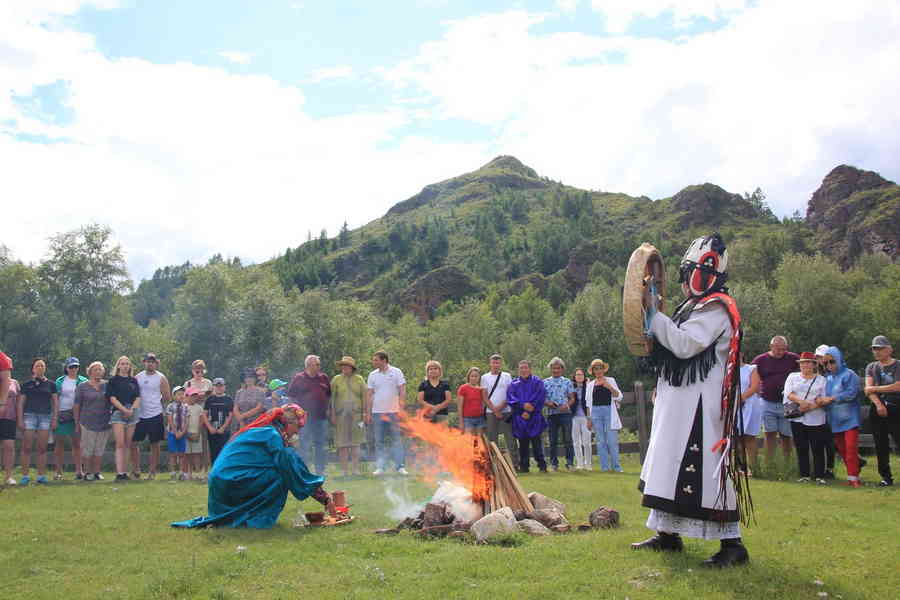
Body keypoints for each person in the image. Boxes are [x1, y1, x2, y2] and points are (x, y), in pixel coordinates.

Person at [633, 233, 750, 567]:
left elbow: (685, 345)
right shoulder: (694, 307)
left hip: (701, 406)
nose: (685, 282)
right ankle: (667, 536)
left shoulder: (717, 308)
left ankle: (733, 545)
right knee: (668, 465)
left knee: (706, 471)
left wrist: (654, 315)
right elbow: (674, 352)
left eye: (688, 275)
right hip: (679, 402)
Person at [171, 405, 337, 529]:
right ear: (287, 422)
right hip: (230, 483)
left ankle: (247, 514)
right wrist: (325, 498)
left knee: (281, 468)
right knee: (281, 476)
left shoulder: (267, 431)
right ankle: (257, 518)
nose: (298, 432)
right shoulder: (272, 436)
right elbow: (294, 471)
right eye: (298, 427)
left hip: (221, 485)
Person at [819, 346, 862, 487]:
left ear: (839, 359)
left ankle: (854, 479)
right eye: (825, 363)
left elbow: (851, 394)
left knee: (851, 449)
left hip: (850, 419)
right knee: (843, 451)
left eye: (831, 361)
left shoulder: (850, 375)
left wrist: (831, 399)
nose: (829, 365)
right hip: (835, 420)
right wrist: (821, 401)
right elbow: (825, 398)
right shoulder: (828, 378)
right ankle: (852, 475)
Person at [783, 352, 829, 484]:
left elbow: (823, 398)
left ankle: (820, 475)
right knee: (801, 446)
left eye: (809, 362)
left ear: (814, 364)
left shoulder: (821, 380)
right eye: (803, 363)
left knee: (817, 447)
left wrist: (810, 407)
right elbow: (789, 393)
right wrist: (801, 403)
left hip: (816, 417)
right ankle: (804, 475)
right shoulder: (793, 377)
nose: (805, 365)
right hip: (797, 416)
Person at [753, 336, 799, 463]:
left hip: (789, 403)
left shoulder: (794, 358)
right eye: (778, 349)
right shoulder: (760, 360)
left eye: (784, 349)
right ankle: (769, 464)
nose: (781, 352)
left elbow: (802, 376)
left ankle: (788, 464)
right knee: (769, 434)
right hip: (767, 401)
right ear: (771, 347)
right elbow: (753, 379)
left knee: (787, 435)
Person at [864, 336, 900, 487]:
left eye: (880, 348)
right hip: (877, 407)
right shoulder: (871, 367)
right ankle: (886, 477)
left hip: (896, 406)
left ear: (889, 349)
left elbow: (898, 386)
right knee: (880, 444)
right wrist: (879, 404)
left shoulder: (898, 365)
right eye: (874, 349)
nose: (877, 352)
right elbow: (868, 389)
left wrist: (875, 388)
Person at [365, 351, 408, 476]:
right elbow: (369, 394)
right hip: (377, 412)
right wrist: (367, 413)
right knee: (379, 440)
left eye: (376, 360)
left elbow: (402, 391)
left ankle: (400, 466)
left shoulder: (396, 372)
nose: (373, 362)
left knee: (396, 440)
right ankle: (380, 467)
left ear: (384, 360)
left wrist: (401, 408)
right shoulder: (372, 375)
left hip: (394, 412)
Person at [288, 354, 331, 476]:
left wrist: (329, 410)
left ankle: (320, 470)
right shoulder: (299, 378)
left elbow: (328, 395)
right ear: (308, 365)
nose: (319, 366)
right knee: (304, 444)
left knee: (321, 444)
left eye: (319, 364)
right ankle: (304, 470)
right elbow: (291, 396)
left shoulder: (323, 377)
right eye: (317, 364)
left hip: (321, 417)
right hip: (304, 418)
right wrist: (295, 413)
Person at [132, 353, 172, 480]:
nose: (150, 363)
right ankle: (136, 470)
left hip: (155, 414)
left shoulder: (161, 378)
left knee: (154, 443)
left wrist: (157, 403)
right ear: (144, 362)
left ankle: (152, 471)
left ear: (156, 363)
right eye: (148, 361)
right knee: (133, 443)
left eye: (152, 361)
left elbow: (167, 397)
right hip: (140, 414)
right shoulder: (138, 377)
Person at [18, 358, 58, 485]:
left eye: (42, 365)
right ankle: (25, 476)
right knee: (26, 447)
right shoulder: (26, 384)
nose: (40, 367)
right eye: (37, 365)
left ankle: (41, 476)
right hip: (29, 416)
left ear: (45, 368)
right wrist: (20, 419)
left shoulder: (51, 385)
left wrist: (54, 418)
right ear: (33, 368)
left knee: (42, 448)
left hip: (45, 417)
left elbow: (55, 403)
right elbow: (20, 403)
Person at [507, 360, 548, 473]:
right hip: (520, 418)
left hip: (534, 417)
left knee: (536, 443)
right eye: (521, 368)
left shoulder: (537, 382)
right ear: (518, 370)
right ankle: (524, 466)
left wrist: (530, 411)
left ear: (530, 369)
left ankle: (542, 466)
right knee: (523, 444)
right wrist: (522, 409)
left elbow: (540, 397)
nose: (523, 370)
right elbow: (511, 399)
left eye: (525, 368)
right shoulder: (513, 384)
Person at [74, 361, 110, 481]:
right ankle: (87, 472)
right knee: (87, 449)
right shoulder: (82, 386)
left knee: (99, 449)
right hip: (87, 421)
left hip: (104, 422)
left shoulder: (107, 385)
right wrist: (76, 422)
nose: (98, 372)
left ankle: (97, 472)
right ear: (90, 372)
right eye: (95, 370)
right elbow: (77, 405)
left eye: (100, 369)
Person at [331, 357, 366, 477]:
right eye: (342, 365)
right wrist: (333, 414)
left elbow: (365, 398)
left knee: (356, 444)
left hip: (357, 415)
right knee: (342, 445)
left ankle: (355, 469)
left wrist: (365, 414)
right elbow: (332, 399)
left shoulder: (359, 379)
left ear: (352, 368)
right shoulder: (336, 379)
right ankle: (344, 470)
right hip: (341, 415)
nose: (344, 367)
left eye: (346, 365)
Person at [107, 356, 141, 481]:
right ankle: (119, 472)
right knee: (120, 444)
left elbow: (138, 397)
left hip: (132, 413)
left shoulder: (133, 381)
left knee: (128, 443)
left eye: (127, 364)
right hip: (118, 412)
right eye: (123, 363)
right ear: (118, 366)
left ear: (130, 366)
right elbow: (112, 398)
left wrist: (131, 410)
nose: (125, 366)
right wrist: (123, 410)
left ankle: (125, 472)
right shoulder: (113, 381)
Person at [586, 359, 624, 472]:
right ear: (593, 371)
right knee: (600, 441)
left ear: (603, 369)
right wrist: (589, 419)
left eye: (600, 368)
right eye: (595, 369)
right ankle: (604, 467)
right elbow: (588, 403)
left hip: (609, 411)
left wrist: (609, 387)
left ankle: (617, 467)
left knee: (612, 441)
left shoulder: (610, 380)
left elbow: (619, 396)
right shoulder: (590, 385)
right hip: (595, 413)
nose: (598, 371)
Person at [481, 354, 517, 469]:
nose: (496, 365)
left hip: (506, 411)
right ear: (490, 363)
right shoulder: (484, 377)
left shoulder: (507, 376)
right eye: (493, 362)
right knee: (492, 439)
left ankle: (514, 464)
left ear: (501, 364)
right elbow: (485, 396)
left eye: (498, 362)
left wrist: (500, 407)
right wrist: (494, 410)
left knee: (510, 438)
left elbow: (510, 393)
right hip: (490, 412)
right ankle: (493, 465)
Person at [53, 357, 87, 480]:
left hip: (77, 415)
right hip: (62, 414)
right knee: (59, 443)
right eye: (71, 367)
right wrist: (55, 416)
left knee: (77, 443)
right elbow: (55, 399)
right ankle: (58, 471)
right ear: (66, 368)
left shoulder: (83, 381)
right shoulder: (60, 381)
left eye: (76, 367)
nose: (73, 369)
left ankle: (79, 471)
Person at [544, 357, 575, 471]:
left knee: (568, 439)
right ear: (550, 369)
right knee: (553, 440)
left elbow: (572, 398)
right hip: (552, 414)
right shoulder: (545, 382)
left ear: (562, 369)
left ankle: (570, 463)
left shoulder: (567, 381)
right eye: (553, 368)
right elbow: (542, 398)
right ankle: (554, 464)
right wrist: (548, 403)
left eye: (558, 368)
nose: (556, 370)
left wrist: (566, 405)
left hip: (565, 413)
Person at [814, 344, 838, 479]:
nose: (820, 359)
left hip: (830, 409)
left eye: (822, 357)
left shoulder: (833, 372)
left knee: (830, 441)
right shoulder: (814, 371)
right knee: (820, 441)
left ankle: (829, 468)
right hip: (817, 410)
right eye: (818, 357)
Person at [738, 354, 762, 474]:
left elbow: (754, 386)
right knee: (736, 438)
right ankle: (740, 467)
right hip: (733, 407)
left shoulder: (751, 368)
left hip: (749, 405)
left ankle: (753, 468)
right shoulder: (727, 369)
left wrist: (741, 398)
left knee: (749, 437)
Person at [204, 378, 234, 466]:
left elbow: (230, 415)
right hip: (212, 431)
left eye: (221, 386)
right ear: (213, 387)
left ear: (224, 387)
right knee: (213, 452)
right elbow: (204, 414)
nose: (219, 388)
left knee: (224, 451)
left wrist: (223, 428)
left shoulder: (228, 399)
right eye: (217, 386)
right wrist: (209, 427)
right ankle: (214, 470)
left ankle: (223, 470)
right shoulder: (209, 399)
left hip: (224, 431)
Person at [1, 352, 18, 486]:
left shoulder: (14, 383)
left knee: (9, 446)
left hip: (9, 417)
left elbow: (19, 401)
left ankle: (9, 476)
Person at [570, 367, 593, 470]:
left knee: (587, 442)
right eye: (577, 375)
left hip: (585, 417)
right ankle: (580, 463)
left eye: (581, 375)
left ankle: (588, 463)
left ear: (584, 377)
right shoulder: (571, 387)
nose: (579, 376)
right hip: (574, 417)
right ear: (574, 377)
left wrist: (590, 417)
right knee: (576, 442)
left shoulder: (588, 386)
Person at [166, 386, 189, 480]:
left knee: (182, 453)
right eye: (179, 394)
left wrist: (183, 432)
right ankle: (173, 472)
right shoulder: (170, 406)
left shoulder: (186, 407)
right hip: (172, 432)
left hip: (182, 433)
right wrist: (175, 432)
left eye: (182, 394)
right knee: (173, 453)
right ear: (174, 396)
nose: (181, 396)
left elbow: (187, 420)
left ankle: (182, 472)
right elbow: (170, 420)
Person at [457, 367, 489, 435]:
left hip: (480, 418)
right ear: (468, 377)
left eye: (476, 376)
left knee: (478, 441)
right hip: (467, 419)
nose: (474, 378)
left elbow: (484, 403)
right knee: (469, 441)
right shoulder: (463, 388)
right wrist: (461, 422)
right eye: (472, 376)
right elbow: (460, 406)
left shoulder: (481, 389)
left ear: (479, 377)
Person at [185, 387, 205, 480]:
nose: (194, 398)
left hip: (196, 433)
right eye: (192, 396)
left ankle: (197, 472)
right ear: (187, 396)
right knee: (187, 454)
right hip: (186, 433)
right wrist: (186, 433)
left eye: (195, 396)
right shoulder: (184, 407)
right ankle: (189, 472)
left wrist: (198, 433)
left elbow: (201, 421)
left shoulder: (199, 408)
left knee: (197, 454)